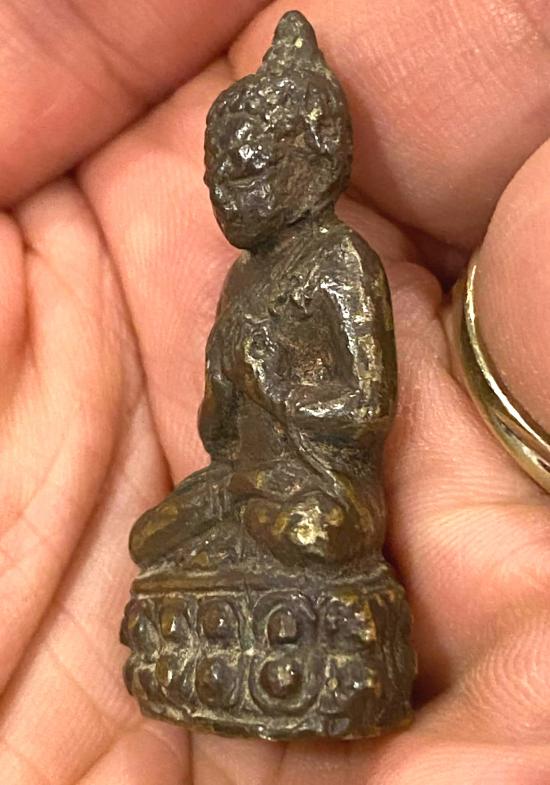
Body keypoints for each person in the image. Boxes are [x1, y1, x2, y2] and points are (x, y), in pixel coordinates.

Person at [0, 1, 549, 782]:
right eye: (219, 179)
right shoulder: (243, 280)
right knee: (157, 534)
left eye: (250, 175)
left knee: (311, 532)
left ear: (316, 162)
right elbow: (220, 430)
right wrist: (229, 393)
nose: (230, 196)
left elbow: (363, 405)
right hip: (248, 481)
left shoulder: (338, 262)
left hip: (319, 483)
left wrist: (277, 387)